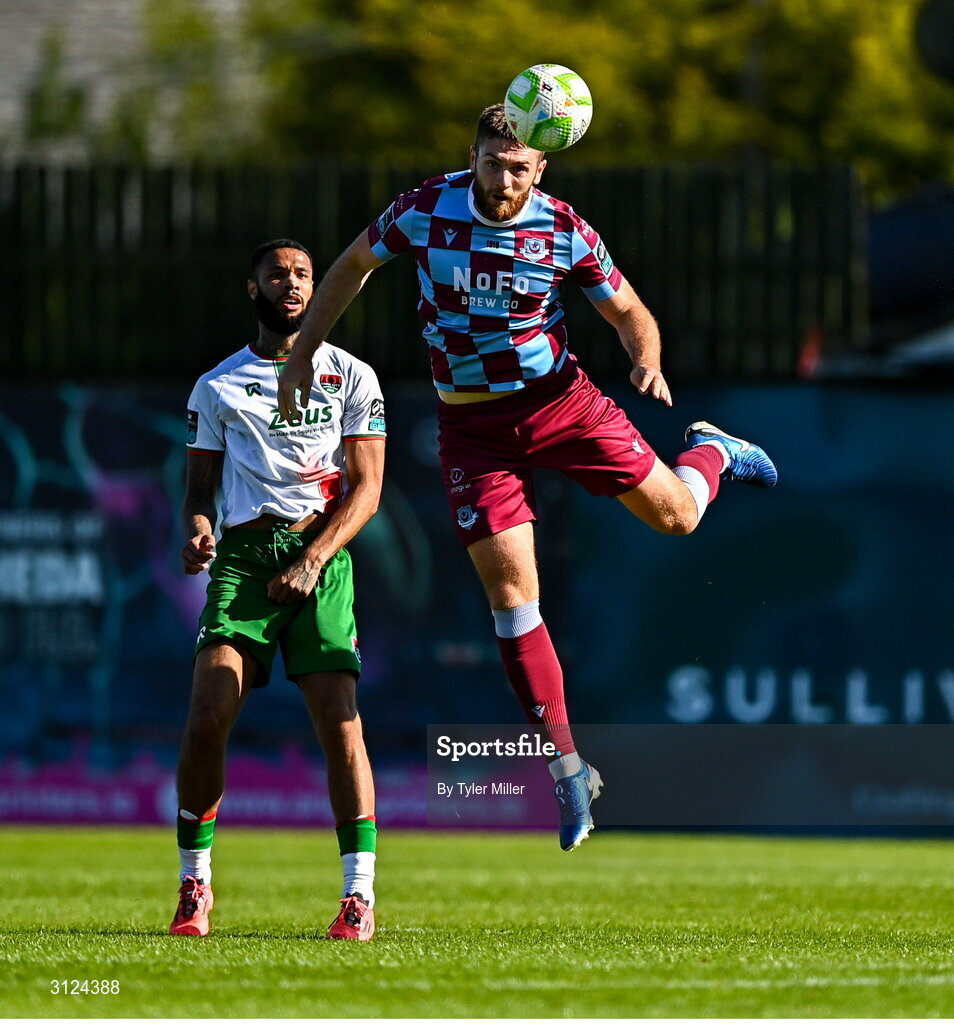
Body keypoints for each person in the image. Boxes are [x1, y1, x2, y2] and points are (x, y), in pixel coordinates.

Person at [276, 106, 777, 852]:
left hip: (561, 405)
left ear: (541, 170)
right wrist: (300, 353)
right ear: (471, 156)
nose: (504, 178)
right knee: (512, 604)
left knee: (678, 519)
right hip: (473, 431)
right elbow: (351, 266)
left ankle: (711, 451)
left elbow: (631, 310)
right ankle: (569, 769)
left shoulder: (563, 228)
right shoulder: (423, 209)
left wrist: (647, 357)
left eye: (519, 168)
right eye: (491, 162)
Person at [170, 239, 386, 941]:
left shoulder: (351, 375)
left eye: (303, 275)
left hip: (320, 556)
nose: (292, 285)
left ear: (317, 290)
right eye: (277, 275)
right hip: (243, 560)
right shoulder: (218, 385)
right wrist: (200, 529)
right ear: (253, 288)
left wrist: (316, 557)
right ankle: (194, 884)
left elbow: (368, 489)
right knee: (208, 716)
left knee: (339, 722)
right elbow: (199, 491)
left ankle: (359, 897)